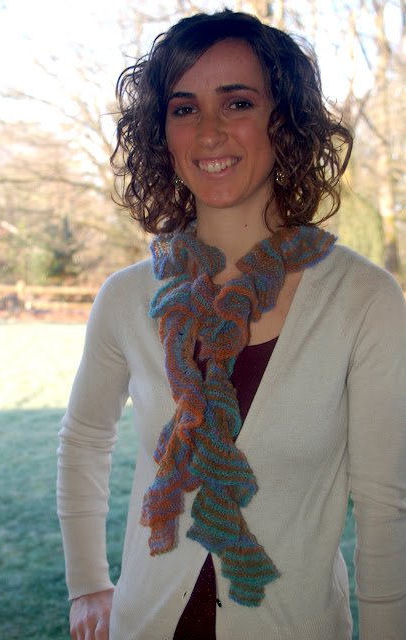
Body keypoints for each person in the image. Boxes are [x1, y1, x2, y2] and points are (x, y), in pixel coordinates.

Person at [57, 9, 406, 640]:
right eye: (184, 108)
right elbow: (84, 440)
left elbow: (386, 505)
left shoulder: (363, 300)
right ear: (162, 133)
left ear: (285, 120)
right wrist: (87, 584)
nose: (210, 132)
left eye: (237, 102)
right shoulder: (127, 298)